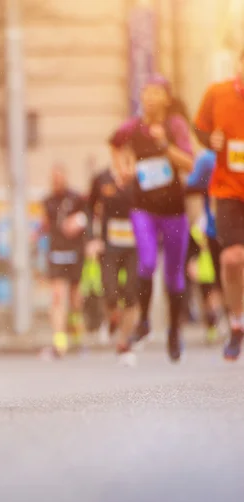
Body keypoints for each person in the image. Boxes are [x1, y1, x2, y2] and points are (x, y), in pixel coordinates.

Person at [109, 75, 194, 362]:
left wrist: (164, 145)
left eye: (156, 92)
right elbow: (114, 142)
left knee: (174, 277)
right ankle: (144, 321)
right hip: (142, 207)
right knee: (146, 262)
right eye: (145, 92)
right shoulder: (133, 127)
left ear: (166, 99)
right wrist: (122, 169)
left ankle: (173, 330)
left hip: (173, 210)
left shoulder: (175, 126)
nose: (149, 97)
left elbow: (190, 162)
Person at [194, 50, 244, 361]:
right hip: (227, 189)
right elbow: (200, 127)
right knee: (230, 259)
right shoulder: (217, 93)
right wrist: (208, 139)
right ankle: (236, 323)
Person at [87, 157, 139, 363]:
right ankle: (113, 318)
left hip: (135, 245)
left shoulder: (140, 178)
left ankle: (123, 343)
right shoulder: (101, 178)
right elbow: (89, 207)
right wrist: (92, 238)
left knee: (131, 292)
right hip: (110, 244)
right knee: (109, 291)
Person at [42, 164, 88, 357]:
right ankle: (59, 343)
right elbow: (45, 225)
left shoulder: (76, 199)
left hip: (75, 253)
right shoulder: (48, 201)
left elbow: (87, 219)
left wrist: (77, 223)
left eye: (60, 178)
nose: (57, 182)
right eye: (54, 179)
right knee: (58, 297)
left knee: (75, 300)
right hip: (57, 253)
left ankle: (77, 339)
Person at [185, 149, 223, 344]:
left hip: (222, 240)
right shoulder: (208, 159)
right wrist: (192, 260)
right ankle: (212, 324)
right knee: (210, 290)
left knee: (221, 286)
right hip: (205, 261)